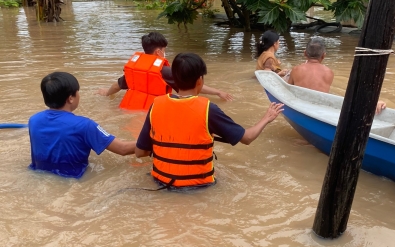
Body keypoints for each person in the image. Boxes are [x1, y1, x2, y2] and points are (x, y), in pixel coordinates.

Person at [135, 53, 284, 189]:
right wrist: (267, 118)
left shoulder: (156, 105)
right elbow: (247, 138)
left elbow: (140, 152)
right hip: (198, 189)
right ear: (200, 81)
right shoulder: (208, 109)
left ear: (174, 78)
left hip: (160, 183)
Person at [29, 72, 136, 179]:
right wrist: (150, 139)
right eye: (78, 92)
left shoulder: (33, 120)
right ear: (71, 98)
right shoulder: (85, 125)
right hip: (73, 181)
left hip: (38, 175)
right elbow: (123, 149)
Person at [98, 31, 233, 110]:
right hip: (154, 112)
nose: (165, 52)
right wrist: (218, 92)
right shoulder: (165, 71)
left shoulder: (135, 70)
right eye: (164, 50)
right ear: (158, 52)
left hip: (128, 110)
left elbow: (117, 85)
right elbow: (191, 85)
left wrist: (106, 93)